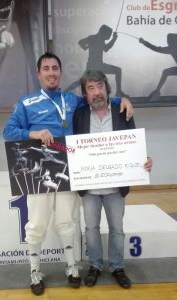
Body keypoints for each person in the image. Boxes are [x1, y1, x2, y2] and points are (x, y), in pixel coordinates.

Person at [3, 52, 134, 295]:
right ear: (39, 74)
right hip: (37, 170)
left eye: (55, 68)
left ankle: (72, 267)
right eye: (46, 68)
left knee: (67, 221)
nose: (51, 72)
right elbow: (8, 130)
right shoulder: (26, 102)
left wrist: (122, 101)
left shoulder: (72, 100)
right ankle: (34, 270)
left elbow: (99, 100)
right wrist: (32, 133)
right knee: (37, 223)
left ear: (60, 72)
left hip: (68, 169)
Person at [73, 70, 152, 289]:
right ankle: (95, 265)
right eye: (90, 88)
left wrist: (144, 160)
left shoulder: (121, 111)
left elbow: (133, 144)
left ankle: (117, 266)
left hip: (116, 187)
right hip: (89, 187)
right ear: (85, 94)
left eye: (99, 86)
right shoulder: (78, 115)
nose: (96, 92)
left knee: (117, 228)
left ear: (107, 88)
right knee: (91, 229)